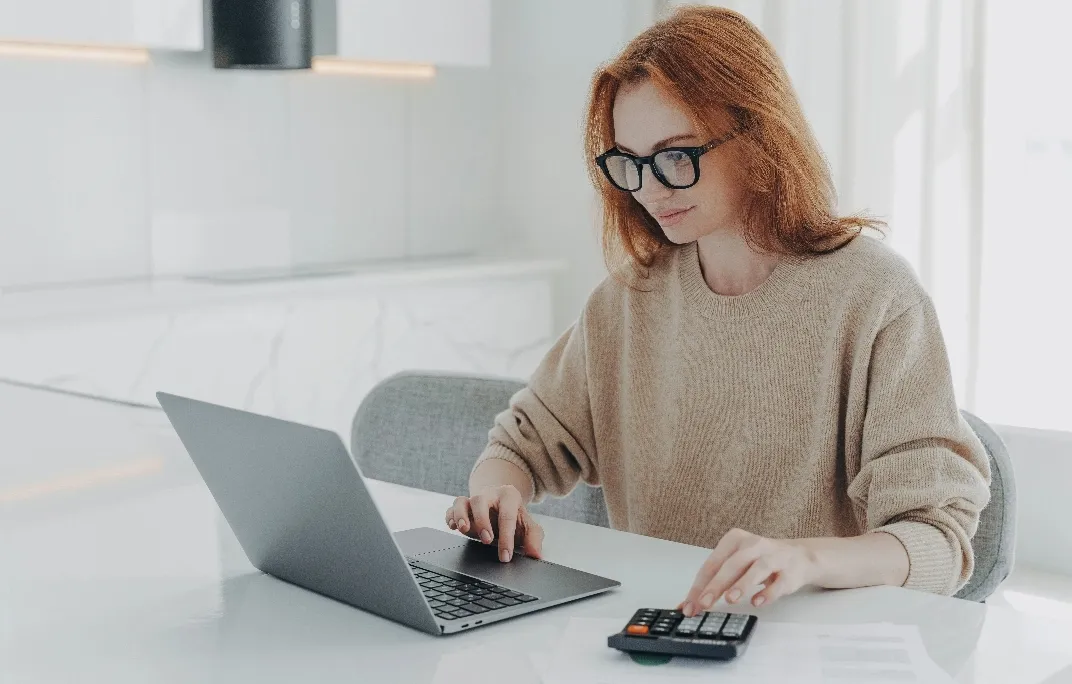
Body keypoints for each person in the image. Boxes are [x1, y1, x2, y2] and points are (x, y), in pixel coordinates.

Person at [443, 5, 990, 615]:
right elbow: (518, 448)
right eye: (631, 163)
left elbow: (937, 540)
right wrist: (497, 500)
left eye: (677, 156)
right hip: (652, 628)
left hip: (808, 639)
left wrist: (804, 559)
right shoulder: (627, 301)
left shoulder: (874, 297)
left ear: (759, 136)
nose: (650, 189)